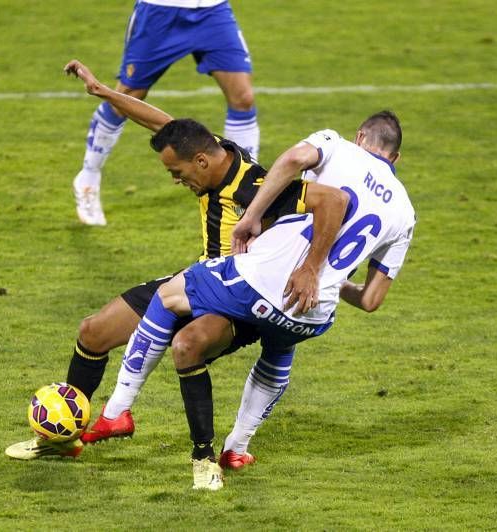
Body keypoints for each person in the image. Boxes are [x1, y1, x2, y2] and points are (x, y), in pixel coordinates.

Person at [101, 111, 417, 490]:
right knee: (279, 349)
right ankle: (237, 448)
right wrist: (325, 280)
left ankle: (117, 410)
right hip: (311, 311)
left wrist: (259, 224)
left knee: (168, 296)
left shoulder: (338, 146)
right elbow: (370, 300)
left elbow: (293, 161)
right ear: (395, 158)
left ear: (361, 136)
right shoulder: (405, 212)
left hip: (263, 280)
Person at [6, 60, 302, 462]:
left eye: (177, 172)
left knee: (188, 347)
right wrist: (106, 93)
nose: (176, 180)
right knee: (93, 332)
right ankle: (65, 441)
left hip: (237, 300)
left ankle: (214, 454)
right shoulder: (213, 153)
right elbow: (164, 124)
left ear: (200, 161)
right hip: (197, 279)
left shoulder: (255, 188)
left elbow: (311, 215)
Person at [73, 0, 259, 226]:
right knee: (127, 95)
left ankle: (245, 189)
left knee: (243, 98)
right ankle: (88, 177)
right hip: (160, 10)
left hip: (213, 9)